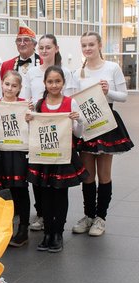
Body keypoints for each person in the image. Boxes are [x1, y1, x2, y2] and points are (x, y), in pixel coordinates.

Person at [71, 32, 134, 237]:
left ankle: (101, 218)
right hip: (85, 123)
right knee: (88, 175)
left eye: (91, 44)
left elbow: (124, 96)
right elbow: (72, 98)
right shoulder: (78, 72)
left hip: (106, 122)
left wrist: (109, 92)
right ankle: (88, 215)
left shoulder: (112, 68)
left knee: (104, 175)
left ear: (99, 45)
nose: (87, 48)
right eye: (84, 45)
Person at [26, 66, 88, 252]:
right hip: (43, 157)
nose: (54, 85)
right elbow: (33, 133)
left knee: (60, 194)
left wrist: (78, 120)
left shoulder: (70, 103)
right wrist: (29, 120)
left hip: (63, 157)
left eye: (57, 81)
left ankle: (58, 233)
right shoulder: (38, 104)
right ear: (44, 83)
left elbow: (78, 133)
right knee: (44, 195)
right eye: (50, 81)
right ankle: (47, 233)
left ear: (63, 83)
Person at [20, 34, 73, 232]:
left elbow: (70, 99)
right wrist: (29, 112)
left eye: (48, 47)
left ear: (56, 48)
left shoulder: (66, 71)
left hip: (60, 130)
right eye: (40, 47)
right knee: (39, 176)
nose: (44, 50)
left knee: (58, 182)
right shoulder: (32, 72)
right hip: (38, 126)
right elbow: (26, 99)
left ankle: (56, 226)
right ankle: (42, 214)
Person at [0, 70, 31, 247]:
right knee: (4, 191)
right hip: (1, 153)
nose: (10, 88)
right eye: (7, 84)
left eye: (14, 85)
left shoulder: (25, 105)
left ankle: (23, 229)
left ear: (20, 88)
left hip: (19, 152)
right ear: (2, 84)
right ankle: (5, 228)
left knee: (21, 190)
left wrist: (30, 117)